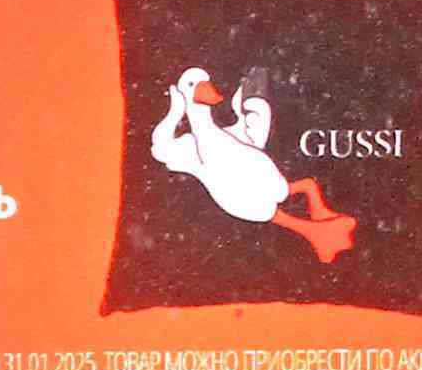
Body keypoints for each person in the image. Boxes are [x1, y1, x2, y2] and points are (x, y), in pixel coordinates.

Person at [149, 67, 361, 263]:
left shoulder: (231, 136)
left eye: (204, 82)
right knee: (266, 209)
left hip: (263, 176)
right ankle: (317, 231)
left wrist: (253, 87)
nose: (204, 88)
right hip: (237, 198)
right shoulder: (188, 149)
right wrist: (175, 111)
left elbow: (255, 103)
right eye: (193, 85)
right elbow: (160, 147)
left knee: (261, 115)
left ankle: (315, 210)